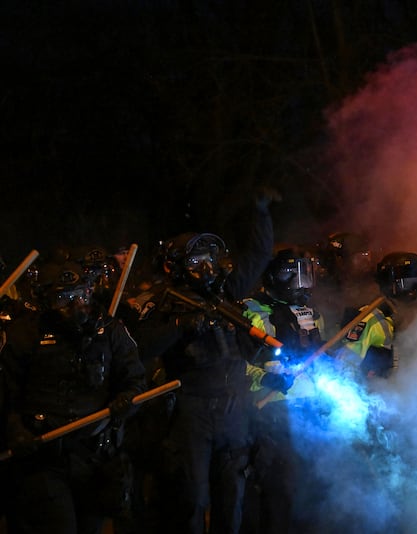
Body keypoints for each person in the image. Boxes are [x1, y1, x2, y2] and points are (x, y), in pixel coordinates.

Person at [129, 188, 275, 534]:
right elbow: (141, 349)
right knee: (192, 499)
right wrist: (181, 325)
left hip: (235, 407)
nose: (206, 268)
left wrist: (261, 214)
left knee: (231, 497)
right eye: (196, 262)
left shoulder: (227, 292)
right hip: (192, 410)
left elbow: (258, 254)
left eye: (210, 259)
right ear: (178, 266)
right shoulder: (165, 302)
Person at [2, 258, 146, 534]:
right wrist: (14, 428)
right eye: (64, 299)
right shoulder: (25, 333)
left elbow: (135, 378)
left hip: (95, 457)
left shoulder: (110, 330)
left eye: (81, 295)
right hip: (45, 459)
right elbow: (8, 391)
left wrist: (126, 400)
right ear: (45, 301)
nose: (76, 306)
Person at [240, 244, 324, 534]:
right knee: (279, 488)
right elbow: (234, 365)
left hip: (309, 410)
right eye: (296, 276)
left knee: (312, 486)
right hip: (271, 411)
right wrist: (264, 379)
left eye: (307, 275)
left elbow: (319, 357)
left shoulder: (310, 313)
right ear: (277, 276)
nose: (303, 284)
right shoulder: (250, 313)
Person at [338, 251, 417, 379]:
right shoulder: (369, 320)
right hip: (379, 389)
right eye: (409, 284)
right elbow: (345, 370)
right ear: (392, 285)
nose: (416, 290)